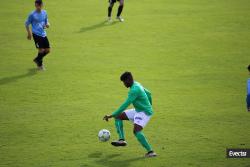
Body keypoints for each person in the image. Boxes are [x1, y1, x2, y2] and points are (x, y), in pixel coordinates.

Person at [103, 72, 157, 157]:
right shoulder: (137, 84)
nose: (124, 84)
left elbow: (125, 105)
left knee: (136, 131)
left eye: (124, 82)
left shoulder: (134, 90)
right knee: (118, 116)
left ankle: (151, 152)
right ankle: (121, 140)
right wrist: (149, 105)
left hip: (144, 112)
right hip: (139, 110)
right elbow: (149, 93)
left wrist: (111, 115)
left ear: (128, 80)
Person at [25, 0, 50, 70]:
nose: (37, 7)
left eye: (38, 5)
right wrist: (29, 33)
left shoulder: (44, 12)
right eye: (35, 5)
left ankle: (37, 59)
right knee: (41, 50)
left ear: (41, 5)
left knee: (48, 50)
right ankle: (40, 65)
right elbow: (26, 24)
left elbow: (46, 21)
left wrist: (47, 24)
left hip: (43, 34)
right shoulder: (32, 14)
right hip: (36, 34)